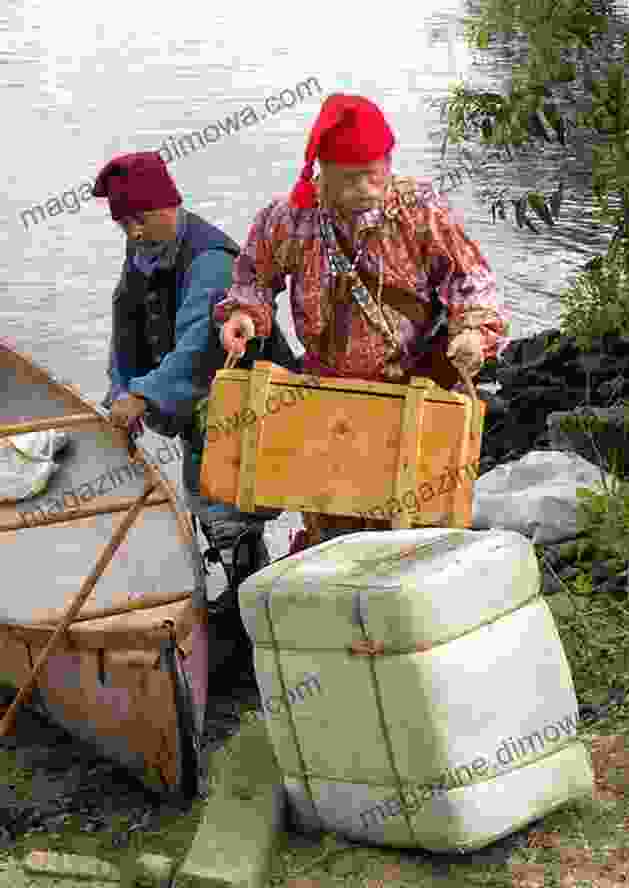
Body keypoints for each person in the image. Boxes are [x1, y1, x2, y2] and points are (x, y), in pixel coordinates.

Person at [213, 93, 510, 551]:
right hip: (327, 391)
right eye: (350, 179)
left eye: (375, 174)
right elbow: (253, 275)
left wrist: (472, 332)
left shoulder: (420, 209)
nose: (366, 189)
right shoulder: (290, 218)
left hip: (416, 382)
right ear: (321, 171)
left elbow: (471, 278)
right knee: (332, 514)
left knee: (412, 520)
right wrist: (244, 316)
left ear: (388, 163)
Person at [94, 150, 297, 555]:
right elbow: (126, 325)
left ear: (167, 204)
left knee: (232, 501)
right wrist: (120, 390)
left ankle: (245, 582)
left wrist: (143, 395)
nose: (133, 232)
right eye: (123, 224)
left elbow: (199, 346)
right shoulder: (143, 250)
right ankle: (237, 581)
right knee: (205, 494)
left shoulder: (211, 260)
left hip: (247, 395)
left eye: (140, 218)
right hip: (198, 401)